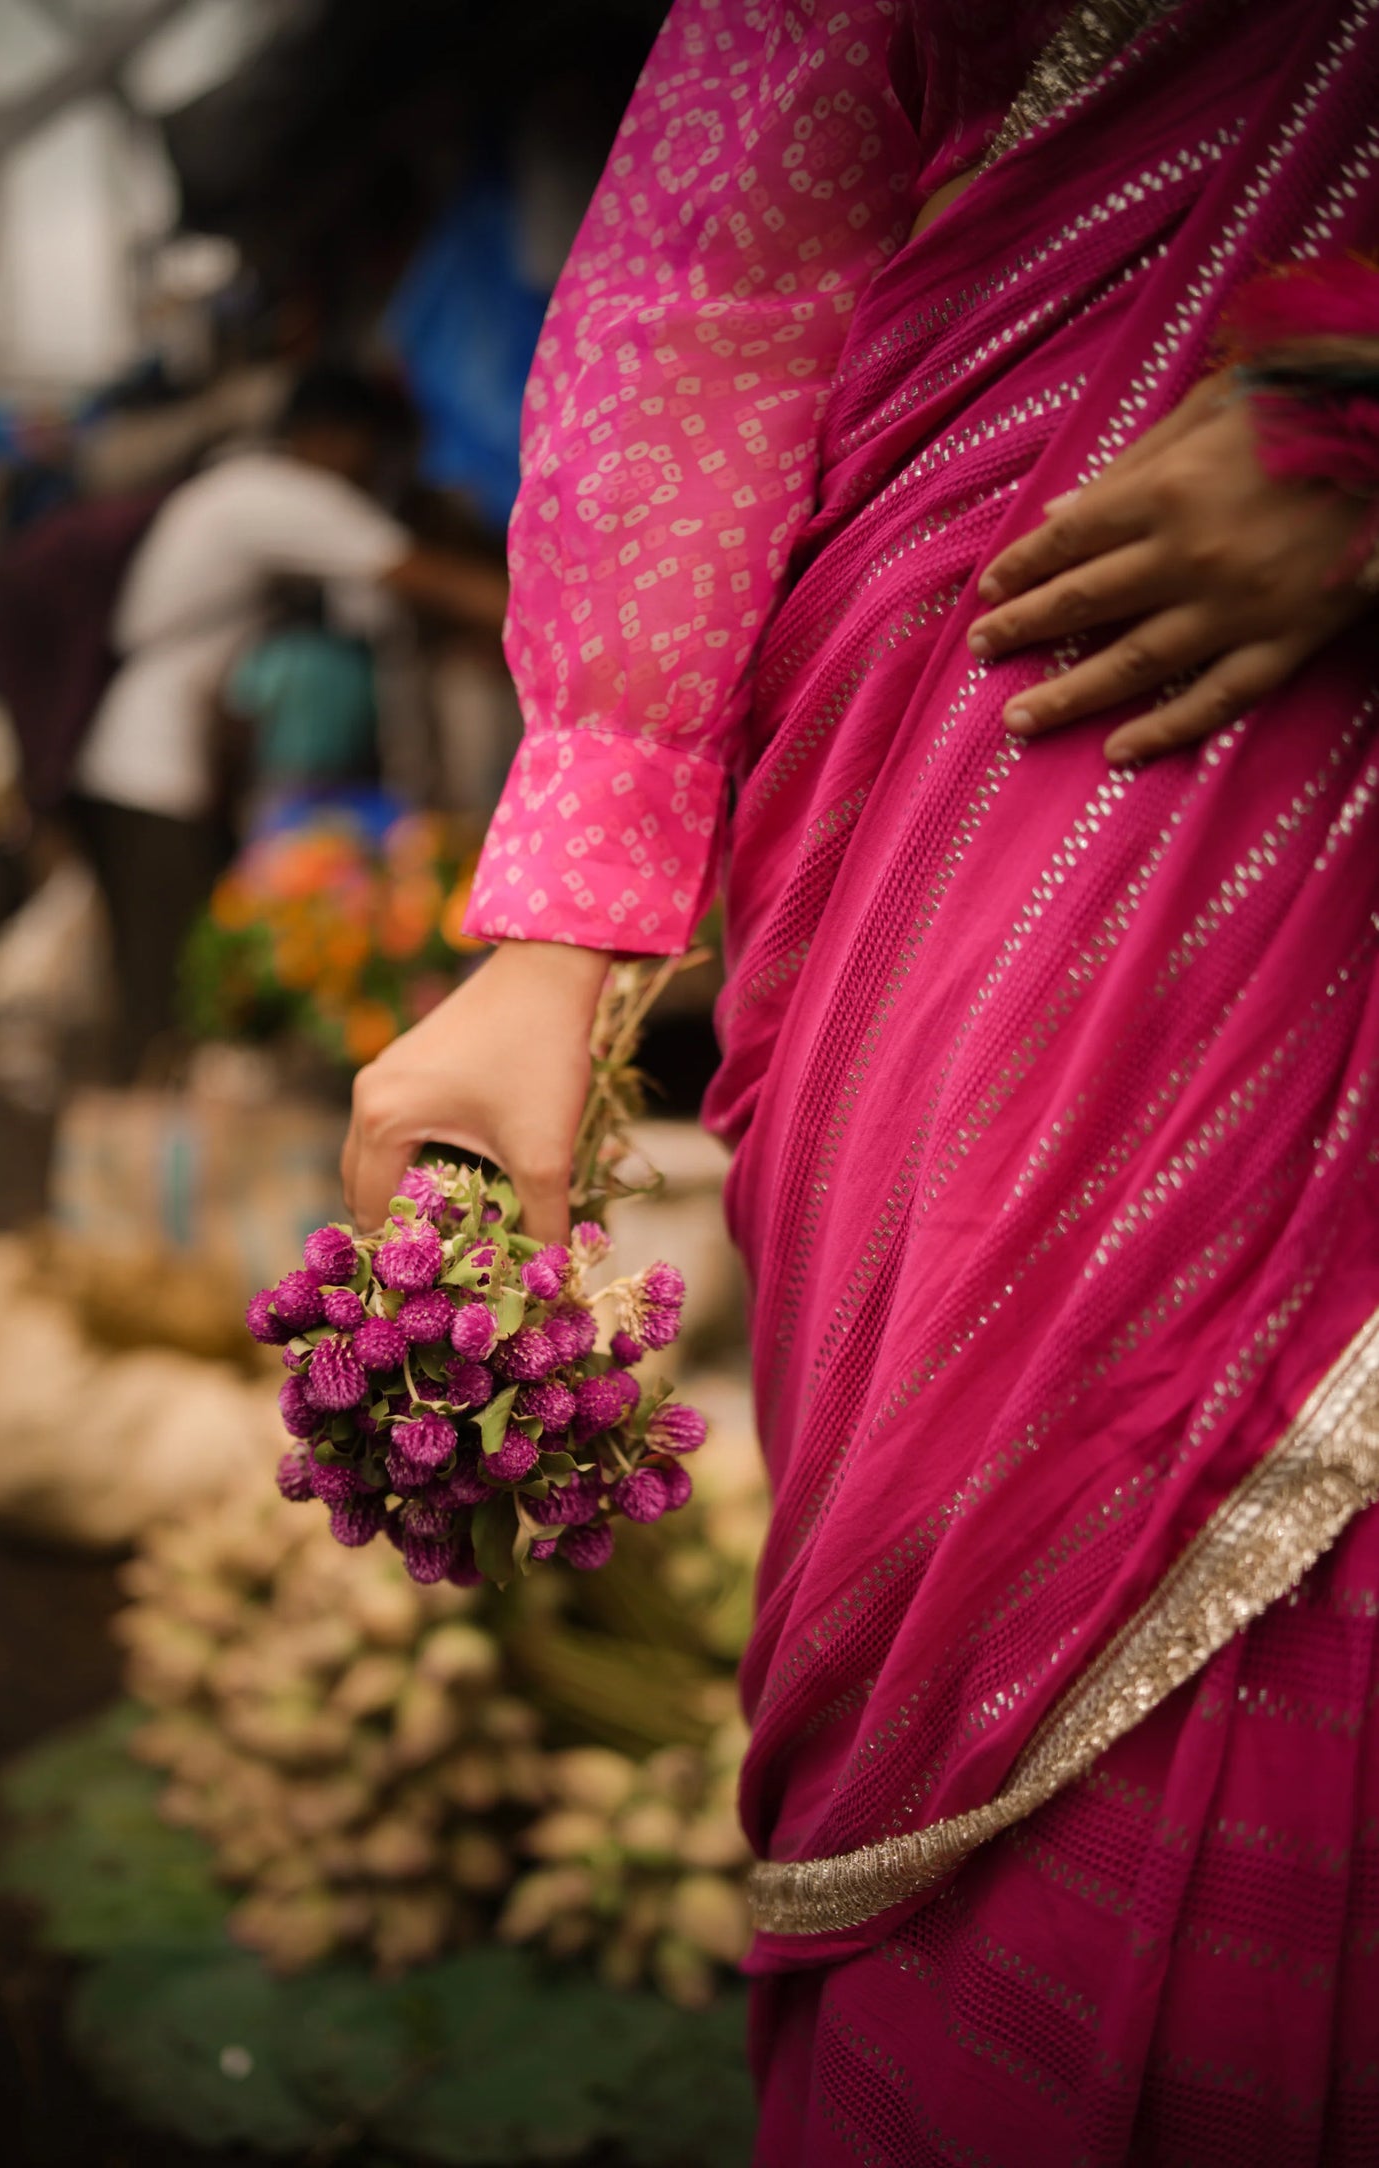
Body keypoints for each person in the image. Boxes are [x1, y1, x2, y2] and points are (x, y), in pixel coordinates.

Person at [343, 3, 1379, 2158]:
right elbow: (728, 226)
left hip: (1130, 727)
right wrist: (562, 916)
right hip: (996, 774)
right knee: (977, 1601)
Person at [68, 365, 507, 1077]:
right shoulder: (277, 497)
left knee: (164, 980)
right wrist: (579, 618)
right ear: (327, 438)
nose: (377, 473)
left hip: (144, 763)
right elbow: (435, 580)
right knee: (165, 987)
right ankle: (138, 1153)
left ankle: (143, 1140)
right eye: (373, 450)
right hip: (148, 769)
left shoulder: (241, 487)